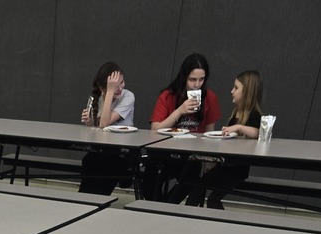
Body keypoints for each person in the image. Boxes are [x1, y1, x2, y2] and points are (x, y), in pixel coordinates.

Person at [144, 54, 220, 201]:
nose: (197, 84)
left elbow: (210, 134)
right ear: (184, 77)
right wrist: (179, 111)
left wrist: (209, 160)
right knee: (150, 177)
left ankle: (166, 207)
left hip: (191, 156)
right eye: (192, 80)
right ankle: (157, 205)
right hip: (165, 152)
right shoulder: (168, 96)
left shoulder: (210, 97)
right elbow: (155, 129)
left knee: (191, 173)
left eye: (201, 79)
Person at [186, 70, 264, 209]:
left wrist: (239, 127)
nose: (232, 91)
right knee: (197, 187)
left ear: (247, 92)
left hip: (237, 170)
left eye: (236, 88)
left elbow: (258, 132)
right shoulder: (236, 113)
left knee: (213, 199)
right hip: (225, 166)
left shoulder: (254, 115)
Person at [79, 61, 135, 195]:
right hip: (101, 150)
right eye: (115, 86)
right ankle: (82, 200)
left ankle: (96, 202)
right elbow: (100, 128)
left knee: (105, 168)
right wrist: (90, 121)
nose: (120, 88)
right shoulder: (99, 97)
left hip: (119, 152)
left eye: (121, 82)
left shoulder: (128, 96)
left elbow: (105, 124)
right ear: (102, 88)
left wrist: (110, 91)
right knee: (89, 161)